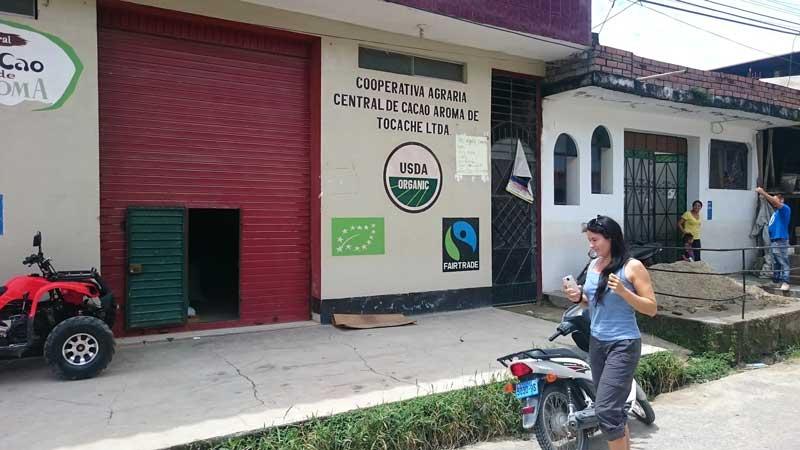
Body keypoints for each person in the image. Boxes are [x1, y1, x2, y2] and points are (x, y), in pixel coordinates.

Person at [564, 215, 657, 450]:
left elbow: (651, 308)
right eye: (589, 240)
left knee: (605, 410)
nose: (591, 245)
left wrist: (625, 293)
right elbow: (592, 302)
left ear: (611, 238)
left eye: (595, 240)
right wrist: (578, 297)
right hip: (597, 343)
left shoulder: (632, 266)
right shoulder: (595, 266)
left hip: (623, 344)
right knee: (613, 410)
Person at [756, 187, 792, 291]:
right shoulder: (776, 213)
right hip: (774, 240)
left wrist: (763, 193)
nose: (773, 202)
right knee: (776, 262)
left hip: (780, 239)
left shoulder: (785, 209)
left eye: (775, 200)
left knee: (783, 261)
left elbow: (774, 201)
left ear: (781, 200)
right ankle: (776, 280)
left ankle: (786, 281)